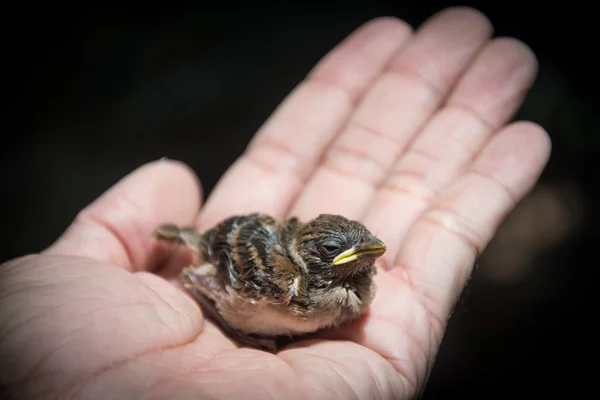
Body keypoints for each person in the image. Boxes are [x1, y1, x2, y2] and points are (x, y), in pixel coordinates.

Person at [0, 7, 551, 399]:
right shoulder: (288, 284)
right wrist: (220, 299)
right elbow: (230, 264)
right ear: (314, 260)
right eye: (346, 251)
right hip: (225, 251)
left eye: (366, 248)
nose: (368, 257)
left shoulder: (356, 283)